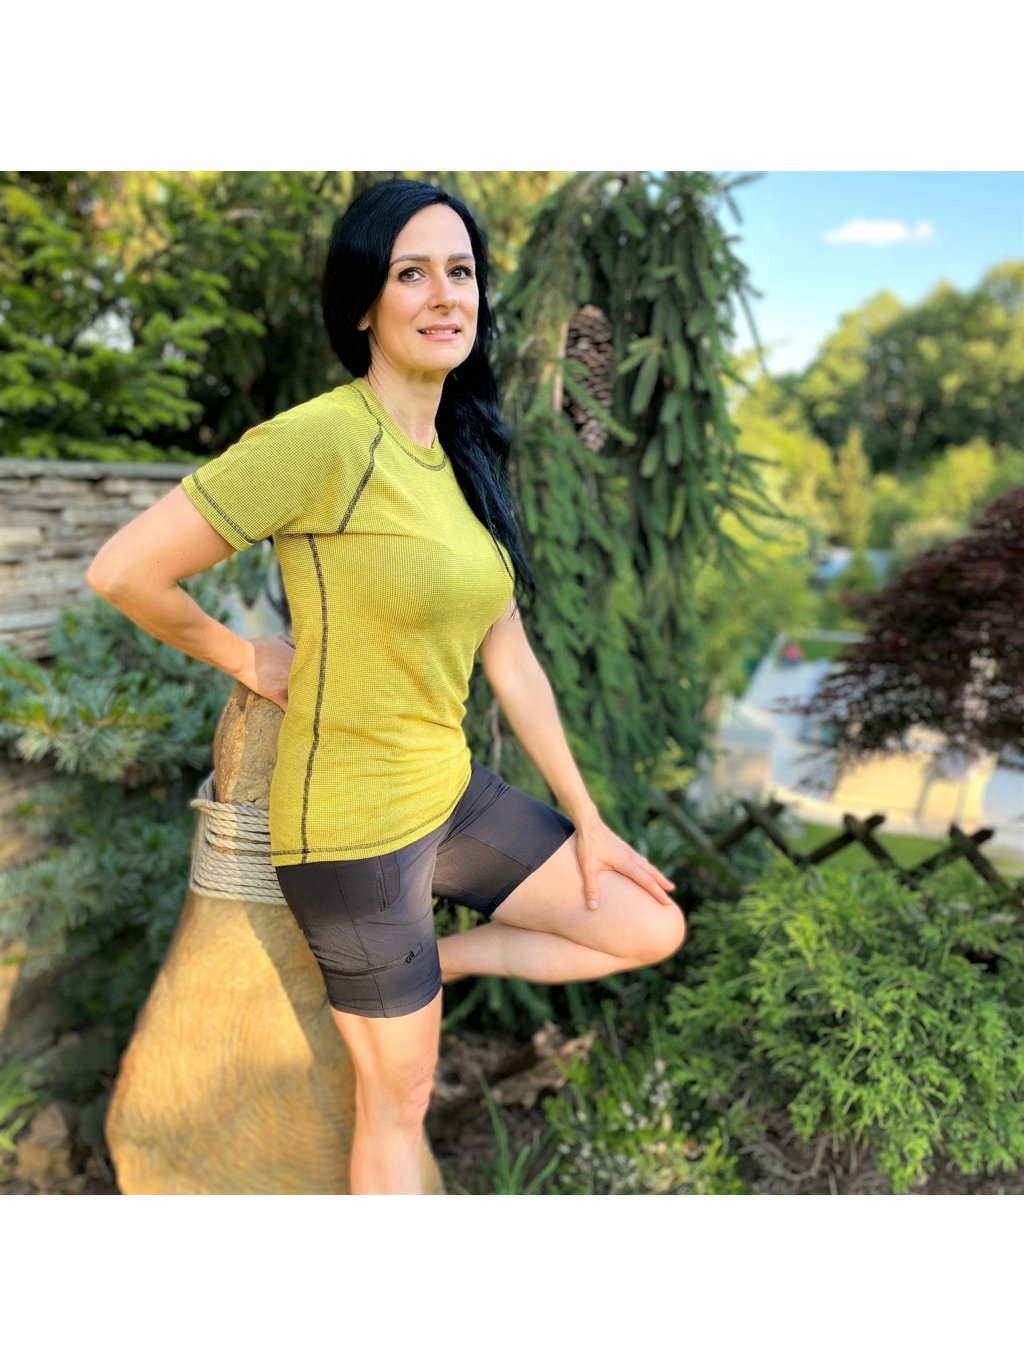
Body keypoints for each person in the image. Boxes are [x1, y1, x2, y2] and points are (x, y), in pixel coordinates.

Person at [86, 178, 687, 1195]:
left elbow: (510, 653)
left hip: (447, 796)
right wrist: (243, 655)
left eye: (461, 271)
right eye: (412, 273)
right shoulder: (322, 439)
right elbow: (124, 570)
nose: (445, 294)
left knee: (643, 924)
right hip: (353, 833)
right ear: (364, 302)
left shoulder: (459, 455)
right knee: (397, 1105)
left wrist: (587, 819)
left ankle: (429, 966)